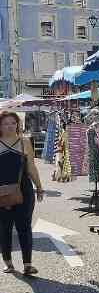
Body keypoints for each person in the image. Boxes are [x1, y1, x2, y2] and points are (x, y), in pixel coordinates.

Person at [0, 110, 44, 275]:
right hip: (1, 191)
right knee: (4, 228)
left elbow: (31, 167)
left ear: (18, 124)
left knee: (24, 227)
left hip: (24, 190)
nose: (10, 126)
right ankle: (8, 263)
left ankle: (27, 264)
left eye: (13, 123)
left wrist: (39, 187)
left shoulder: (25, 142)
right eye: (5, 123)